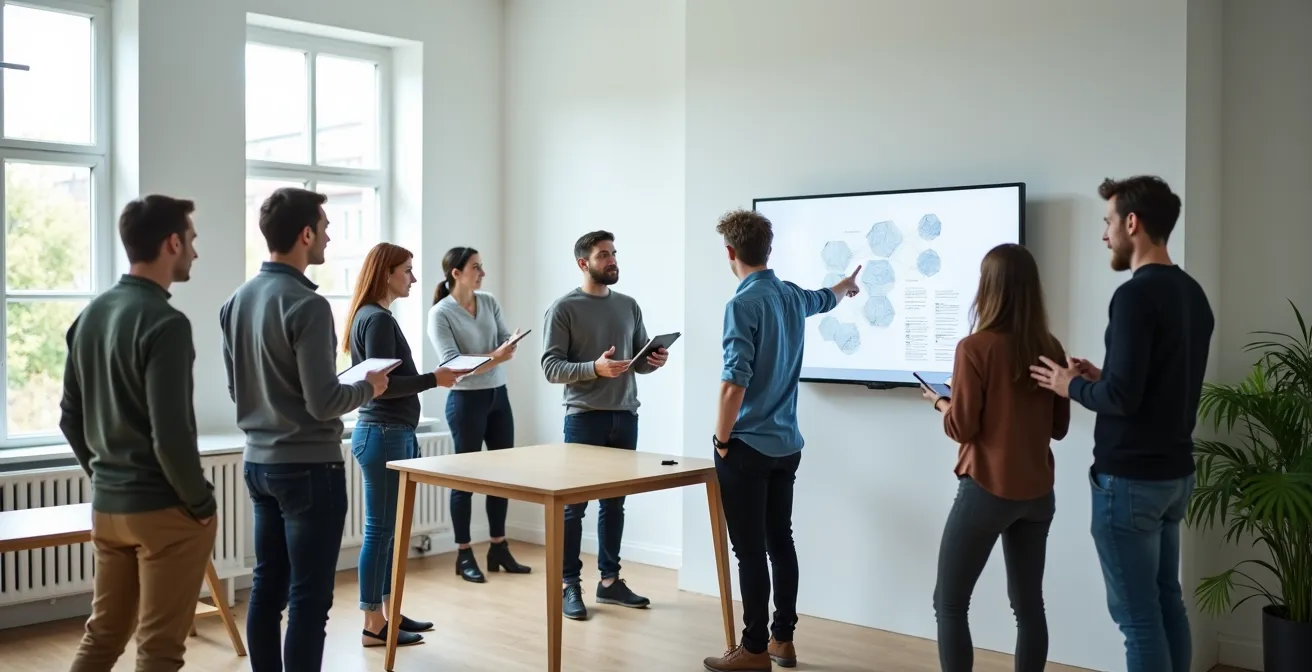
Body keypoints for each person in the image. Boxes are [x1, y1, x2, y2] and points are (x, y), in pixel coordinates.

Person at [1031, 176, 1213, 672]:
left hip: (1130, 481)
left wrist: (1069, 386)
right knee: (1167, 603)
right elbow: (1156, 384)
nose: (1103, 234)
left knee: (1138, 620)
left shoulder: (1134, 296)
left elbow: (1121, 399)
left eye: (1107, 222)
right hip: (1174, 475)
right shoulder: (1192, 294)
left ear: (1132, 223)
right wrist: (1100, 376)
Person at [220, 187, 389, 671]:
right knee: (309, 600)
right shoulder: (308, 305)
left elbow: (237, 389)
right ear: (305, 234)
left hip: (258, 464)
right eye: (325, 227)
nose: (330, 237)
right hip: (309, 469)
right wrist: (370, 387)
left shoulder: (236, 301)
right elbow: (324, 402)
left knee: (266, 589)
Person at [59, 195, 217, 672]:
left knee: (103, 636)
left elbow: (69, 417)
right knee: (159, 651)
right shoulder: (166, 323)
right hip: (163, 510)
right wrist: (201, 503)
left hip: (108, 507)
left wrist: (105, 477)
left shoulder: (91, 315)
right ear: (172, 243)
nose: (195, 252)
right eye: (191, 239)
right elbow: (171, 435)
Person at [700, 209, 860, 672]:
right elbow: (825, 298)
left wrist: (721, 440)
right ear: (767, 250)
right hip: (787, 446)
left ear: (730, 252)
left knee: (749, 550)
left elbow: (733, 384)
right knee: (779, 542)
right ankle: (782, 641)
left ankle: (753, 650)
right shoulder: (789, 295)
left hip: (747, 447)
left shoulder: (742, 304)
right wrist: (846, 286)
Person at [918, 243, 1070, 672]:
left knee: (949, 603)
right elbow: (1058, 428)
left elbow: (962, 428)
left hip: (986, 490)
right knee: (1029, 607)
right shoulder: (1051, 347)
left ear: (988, 288)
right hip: (1038, 495)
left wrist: (941, 402)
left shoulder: (974, 348)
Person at [540, 230, 669, 621]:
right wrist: (593, 368)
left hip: (625, 415)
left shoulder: (628, 305)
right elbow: (551, 368)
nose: (612, 260)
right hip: (584, 419)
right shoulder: (563, 308)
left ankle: (609, 582)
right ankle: (569, 585)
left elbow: (638, 361)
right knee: (573, 508)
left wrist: (654, 360)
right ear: (584, 263)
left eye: (613, 253)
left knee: (614, 504)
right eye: (603, 255)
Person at [344, 243, 465, 647]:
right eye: (407, 270)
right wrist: (435, 378)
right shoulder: (377, 319)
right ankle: (373, 624)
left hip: (390, 432)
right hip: (383, 432)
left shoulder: (373, 316)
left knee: (389, 532)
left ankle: (387, 613)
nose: (414, 278)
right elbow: (383, 386)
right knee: (380, 532)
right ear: (387, 273)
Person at [428, 246, 531, 583]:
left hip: (498, 396)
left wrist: (500, 352)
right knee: (465, 479)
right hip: (465, 402)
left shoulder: (488, 301)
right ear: (456, 273)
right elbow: (453, 366)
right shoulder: (440, 314)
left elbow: (504, 343)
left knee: (502, 476)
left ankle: (498, 547)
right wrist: (495, 356)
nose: (482, 273)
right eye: (476, 267)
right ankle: (463, 553)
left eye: (482, 266)